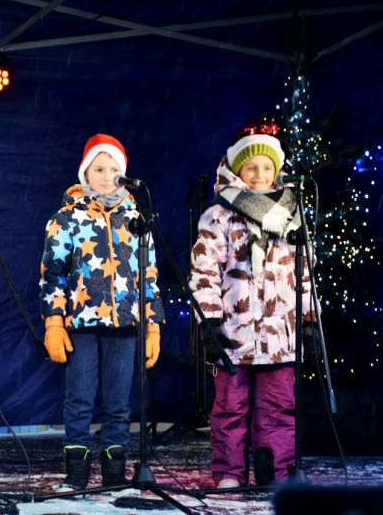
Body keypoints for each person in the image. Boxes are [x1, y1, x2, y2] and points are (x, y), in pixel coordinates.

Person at [189, 118, 314, 488]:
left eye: (266, 167)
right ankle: (229, 472)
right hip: (235, 333)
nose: (259, 174)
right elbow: (204, 272)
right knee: (229, 406)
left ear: (276, 171)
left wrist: (307, 321)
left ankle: (272, 470)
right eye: (251, 167)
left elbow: (304, 275)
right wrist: (208, 322)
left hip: (280, 335)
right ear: (237, 169)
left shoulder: (292, 215)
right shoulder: (219, 215)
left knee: (277, 408)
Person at [39, 133, 165, 490]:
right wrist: (54, 323)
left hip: (124, 324)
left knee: (118, 402)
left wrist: (153, 327)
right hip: (80, 322)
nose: (107, 175)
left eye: (114, 169)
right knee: (79, 398)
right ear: (85, 173)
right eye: (99, 168)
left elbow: (149, 275)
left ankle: (114, 475)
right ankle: (76, 473)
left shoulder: (136, 219)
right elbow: (53, 275)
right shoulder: (67, 218)